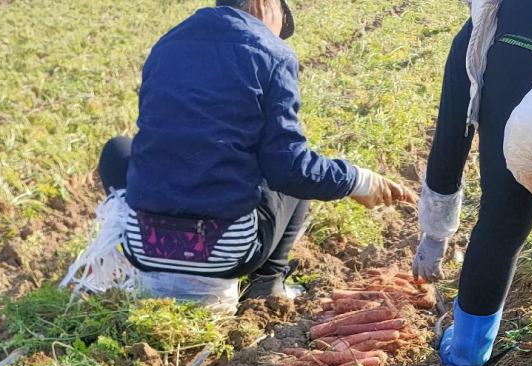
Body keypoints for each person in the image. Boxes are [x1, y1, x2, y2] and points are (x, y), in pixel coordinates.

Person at [97, 0, 415, 308]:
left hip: (143, 246)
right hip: (223, 252)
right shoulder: (271, 52)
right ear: (265, 4)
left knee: (117, 151)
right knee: (290, 164)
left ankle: (157, 262)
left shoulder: (167, 44)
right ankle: (267, 283)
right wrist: (357, 180)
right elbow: (292, 168)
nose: (276, 33)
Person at [414, 0, 532, 366]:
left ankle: (466, 353)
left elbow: (451, 137)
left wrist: (434, 234)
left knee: (502, 222)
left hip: (518, 74)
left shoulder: (485, 30)